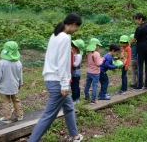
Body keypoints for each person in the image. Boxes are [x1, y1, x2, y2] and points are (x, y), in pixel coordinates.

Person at [28, 13, 83, 142]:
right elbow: (63, 62)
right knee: (48, 115)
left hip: (50, 78)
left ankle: (75, 136)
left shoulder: (55, 35)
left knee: (69, 107)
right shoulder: (65, 38)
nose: (76, 31)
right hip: (57, 81)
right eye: (77, 28)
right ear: (73, 24)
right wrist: (64, 84)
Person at [0, 41, 23, 124]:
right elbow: (20, 75)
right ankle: (19, 115)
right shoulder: (18, 62)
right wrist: (20, 83)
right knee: (16, 100)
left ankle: (7, 118)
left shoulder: (2, 62)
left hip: (4, 86)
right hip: (14, 86)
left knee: (5, 102)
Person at [130, 13, 147, 90]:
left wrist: (128, 44)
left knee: (140, 67)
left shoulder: (139, 29)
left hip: (141, 49)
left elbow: (134, 40)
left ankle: (139, 85)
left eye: (136, 19)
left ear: (140, 19)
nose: (135, 21)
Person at [84, 38, 104, 104]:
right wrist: (102, 60)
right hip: (95, 73)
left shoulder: (88, 53)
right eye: (98, 46)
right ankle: (93, 99)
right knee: (95, 85)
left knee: (87, 84)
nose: (98, 47)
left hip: (89, 71)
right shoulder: (96, 54)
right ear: (95, 46)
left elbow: (88, 62)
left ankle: (86, 96)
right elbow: (98, 64)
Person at [71, 39, 85, 104]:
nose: (72, 48)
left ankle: (75, 99)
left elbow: (75, 65)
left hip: (76, 74)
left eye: (73, 46)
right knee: (73, 86)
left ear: (77, 48)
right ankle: (75, 98)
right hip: (72, 74)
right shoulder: (74, 54)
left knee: (75, 87)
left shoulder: (79, 56)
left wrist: (70, 61)